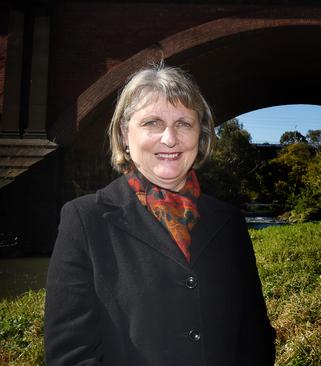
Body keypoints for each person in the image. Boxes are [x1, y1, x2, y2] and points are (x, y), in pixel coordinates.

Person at [45, 64, 275, 365]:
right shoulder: (85, 220)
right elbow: (71, 355)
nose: (169, 138)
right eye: (152, 123)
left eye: (183, 123)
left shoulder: (228, 221)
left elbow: (254, 338)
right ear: (125, 135)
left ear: (200, 134)